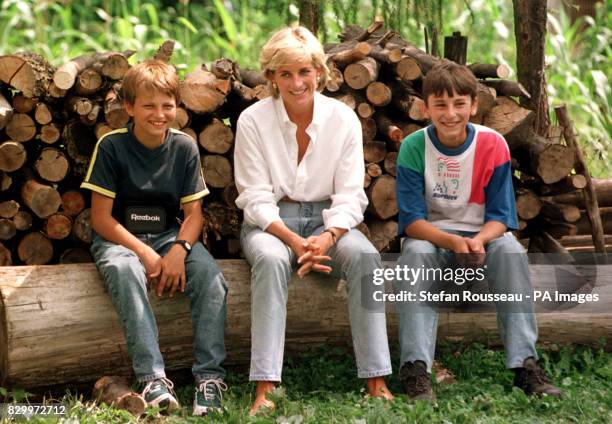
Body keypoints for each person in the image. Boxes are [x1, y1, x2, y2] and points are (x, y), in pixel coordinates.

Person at [234, 26, 393, 416]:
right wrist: (293, 239)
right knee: (271, 261)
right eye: (284, 73)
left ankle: (376, 380)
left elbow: (352, 195)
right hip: (271, 224)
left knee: (366, 259)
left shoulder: (343, 119)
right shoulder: (253, 120)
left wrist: (327, 237)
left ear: (319, 72)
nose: (296, 82)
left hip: (330, 221)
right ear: (270, 77)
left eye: (304, 71)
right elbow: (254, 198)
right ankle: (266, 386)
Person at [394, 60, 562, 400]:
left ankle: (525, 366)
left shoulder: (493, 144)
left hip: (484, 238)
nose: (450, 113)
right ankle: (416, 369)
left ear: (474, 105)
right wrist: (453, 241)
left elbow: (501, 217)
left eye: (459, 104)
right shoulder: (413, 147)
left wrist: (479, 240)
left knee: (512, 251)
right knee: (414, 254)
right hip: (433, 238)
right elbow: (412, 221)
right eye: (440, 104)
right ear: (425, 107)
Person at [81, 60, 228, 416]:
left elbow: (194, 216)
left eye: (167, 105)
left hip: (169, 235)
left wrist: (179, 250)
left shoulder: (184, 148)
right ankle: (152, 378)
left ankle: (209, 379)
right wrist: (146, 254)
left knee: (211, 278)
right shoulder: (111, 146)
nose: (159, 114)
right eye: (148, 105)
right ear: (129, 107)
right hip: (120, 239)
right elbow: (101, 219)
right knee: (124, 270)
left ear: (177, 106)